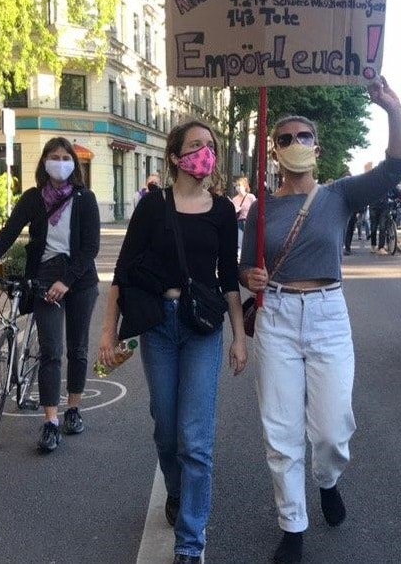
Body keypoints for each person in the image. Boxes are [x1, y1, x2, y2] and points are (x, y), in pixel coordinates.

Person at [239, 77, 401, 564]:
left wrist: (393, 108)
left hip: (328, 315)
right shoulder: (261, 208)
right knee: (281, 430)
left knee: (332, 430)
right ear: (274, 151)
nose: (295, 142)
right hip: (276, 316)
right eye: (285, 138)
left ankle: (328, 478)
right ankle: (292, 524)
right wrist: (250, 276)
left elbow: (396, 167)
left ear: (318, 147)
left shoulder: (340, 195)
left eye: (303, 136)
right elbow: (244, 268)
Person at [97, 121, 247, 564]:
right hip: (159, 326)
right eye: (196, 145)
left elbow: (228, 279)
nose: (205, 153)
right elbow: (123, 272)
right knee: (166, 428)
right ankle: (177, 491)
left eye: (211, 146)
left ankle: (189, 542)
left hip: (202, 328)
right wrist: (108, 332)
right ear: (176, 156)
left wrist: (239, 337)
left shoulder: (223, 210)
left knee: (195, 439)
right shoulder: (152, 206)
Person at [0, 137, 100, 453]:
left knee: (77, 348)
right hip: (44, 279)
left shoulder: (85, 198)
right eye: (54, 157)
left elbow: (90, 247)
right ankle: (50, 421)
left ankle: (73, 409)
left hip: (79, 281)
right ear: (44, 162)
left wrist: (66, 281)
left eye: (66, 158)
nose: (60, 162)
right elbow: (7, 235)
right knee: (50, 350)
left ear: (73, 164)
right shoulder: (33, 198)